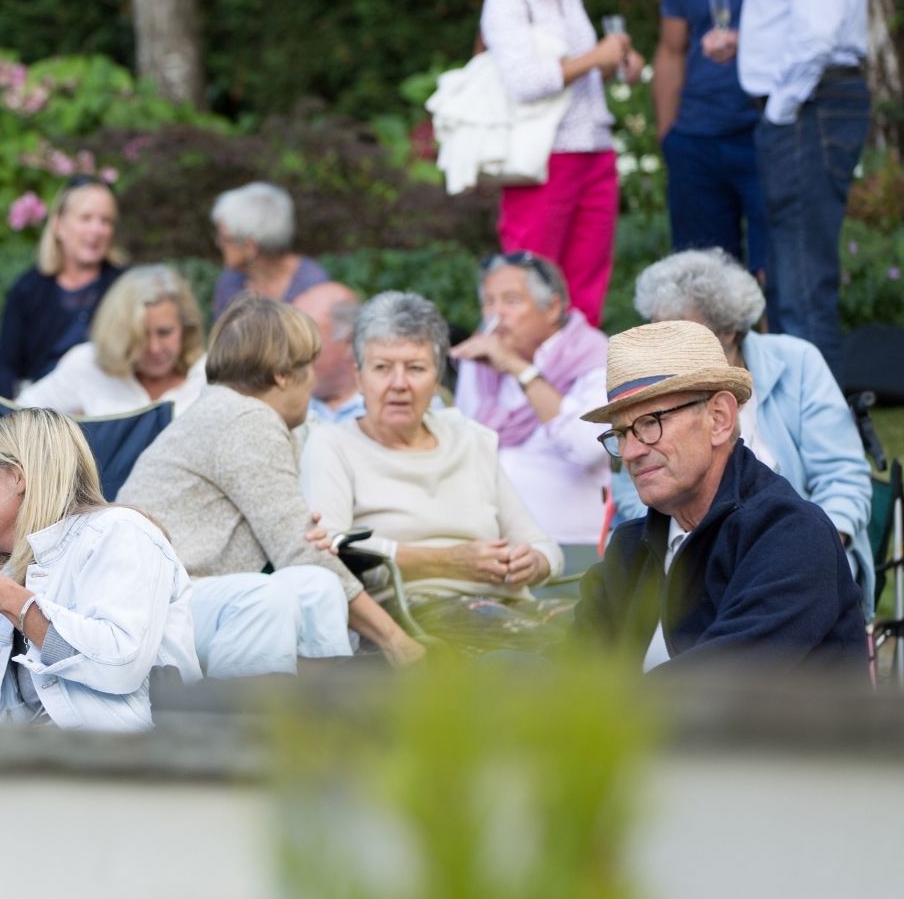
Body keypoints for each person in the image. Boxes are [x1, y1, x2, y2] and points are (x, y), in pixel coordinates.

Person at [117, 298, 425, 674]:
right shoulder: (244, 419)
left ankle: (325, 711)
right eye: (308, 366)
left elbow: (304, 550)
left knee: (318, 586)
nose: (312, 381)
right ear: (282, 374)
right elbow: (298, 548)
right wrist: (396, 638)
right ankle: (251, 722)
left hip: (182, 596)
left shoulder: (231, 410)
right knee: (270, 597)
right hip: (150, 608)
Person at [575, 321, 864, 672]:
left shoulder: (792, 536)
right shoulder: (631, 549)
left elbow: (721, 686)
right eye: (620, 433)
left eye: (650, 423)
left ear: (719, 418)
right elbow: (573, 673)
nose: (632, 450)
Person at [614, 249, 873, 610]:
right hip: (683, 570)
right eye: (660, 330)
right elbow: (631, 489)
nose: (666, 351)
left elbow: (843, 479)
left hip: (799, 570)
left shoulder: (797, 362)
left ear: (729, 330)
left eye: (683, 334)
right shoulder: (653, 392)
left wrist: (802, 552)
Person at [301, 292, 564, 645]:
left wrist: (532, 563)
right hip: (412, 615)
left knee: (603, 633)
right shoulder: (333, 445)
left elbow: (546, 549)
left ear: (437, 375)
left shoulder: (471, 440)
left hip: (508, 606)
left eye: (415, 368)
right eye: (382, 368)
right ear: (359, 377)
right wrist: (446, 561)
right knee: (548, 647)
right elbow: (335, 549)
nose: (399, 384)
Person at [0, 408, 198, 730]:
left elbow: (118, 663)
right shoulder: (13, 570)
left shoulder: (120, 531)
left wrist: (14, 602)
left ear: (18, 477)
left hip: (138, 765)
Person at [480, 0, 644, 327]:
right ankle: (521, 385)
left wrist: (616, 63)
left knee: (587, 285)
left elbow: (580, 69)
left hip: (594, 151)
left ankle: (578, 389)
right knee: (528, 282)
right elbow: (525, 81)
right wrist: (595, 56)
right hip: (544, 160)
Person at [734, 0, 871, 377]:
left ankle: (821, 448)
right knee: (793, 283)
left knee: (802, 285)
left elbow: (817, 31)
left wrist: (778, 108)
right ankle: (807, 438)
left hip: (809, 108)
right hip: (806, 107)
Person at [652, 0, 768, 293]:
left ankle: (770, 361)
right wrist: (670, 135)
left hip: (763, 132)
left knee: (772, 274)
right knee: (702, 283)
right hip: (697, 139)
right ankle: (711, 364)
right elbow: (670, 49)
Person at [448, 251, 610, 548]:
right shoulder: (479, 365)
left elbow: (589, 449)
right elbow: (466, 445)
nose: (496, 317)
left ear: (551, 308)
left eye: (510, 301)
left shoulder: (592, 355)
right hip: (491, 547)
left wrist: (520, 370)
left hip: (574, 546)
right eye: (488, 303)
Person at [0, 177, 126, 398]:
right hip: (43, 412)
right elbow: (5, 367)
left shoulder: (124, 287)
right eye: (86, 218)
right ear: (58, 226)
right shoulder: (28, 289)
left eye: (106, 221)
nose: (97, 229)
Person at [18, 264, 207, 417]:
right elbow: (14, 417)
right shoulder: (87, 364)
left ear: (186, 327)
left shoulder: (206, 376)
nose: (154, 348)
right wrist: (64, 436)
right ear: (119, 334)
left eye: (165, 332)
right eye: (140, 335)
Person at [209, 182, 329, 319]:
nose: (218, 243)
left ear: (250, 247)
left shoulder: (311, 284)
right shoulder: (230, 283)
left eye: (225, 238)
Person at [290, 281, 365, 425]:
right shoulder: (283, 407)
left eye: (303, 340)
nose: (290, 353)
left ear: (349, 341)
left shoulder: (388, 406)